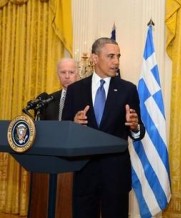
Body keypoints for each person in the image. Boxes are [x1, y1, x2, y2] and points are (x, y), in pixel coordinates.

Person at [62, 37, 145, 218]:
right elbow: (64, 129)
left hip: (115, 175)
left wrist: (135, 125)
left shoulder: (128, 90)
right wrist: (73, 124)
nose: (116, 62)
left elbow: (139, 131)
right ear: (94, 58)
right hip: (85, 173)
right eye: (110, 56)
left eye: (118, 56)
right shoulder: (75, 90)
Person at [29, 57, 79, 218]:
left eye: (71, 72)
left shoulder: (85, 99)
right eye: (63, 72)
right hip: (49, 162)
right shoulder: (48, 100)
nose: (67, 76)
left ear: (77, 74)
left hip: (75, 163)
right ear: (58, 74)